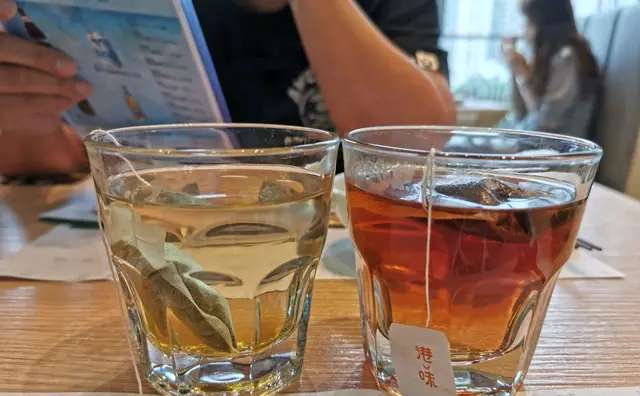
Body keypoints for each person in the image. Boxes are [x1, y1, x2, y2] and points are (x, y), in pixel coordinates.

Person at [0, 0, 455, 179]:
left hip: (338, 242)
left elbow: (417, 140)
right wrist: (25, 108)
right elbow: (70, 154)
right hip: (177, 225)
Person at [499, 0, 601, 139]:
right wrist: (515, 72)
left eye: (529, 21)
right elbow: (520, 115)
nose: (524, 28)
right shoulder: (548, 59)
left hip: (561, 149)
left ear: (545, 25)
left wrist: (522, 77)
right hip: (540, 145)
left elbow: (543, 125)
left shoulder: (568, 58)